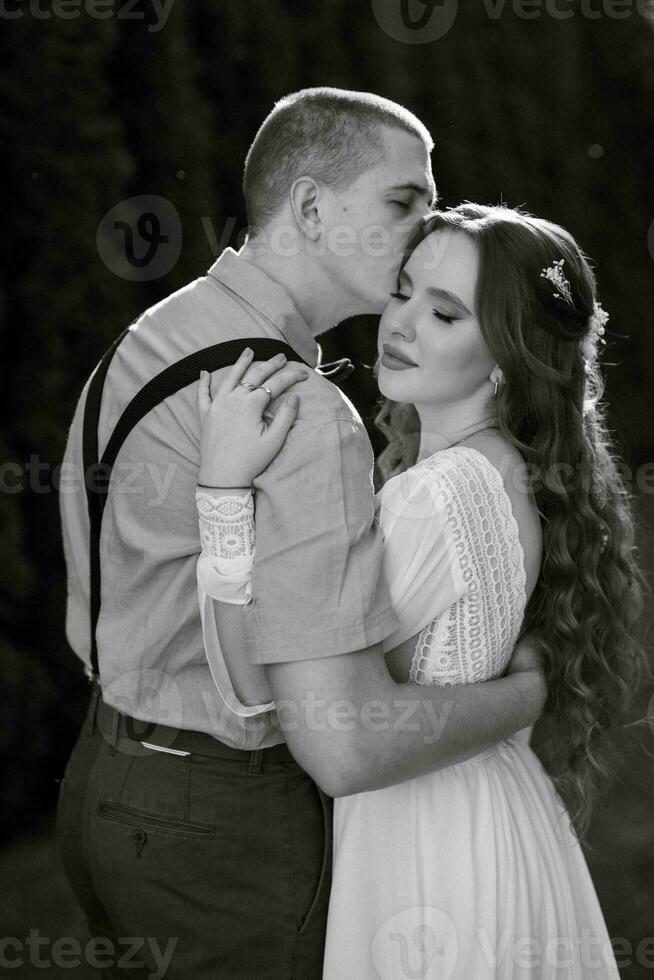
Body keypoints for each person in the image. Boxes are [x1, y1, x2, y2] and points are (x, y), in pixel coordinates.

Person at [57, 90, 546, 980]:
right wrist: (524, 699)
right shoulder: (299, 413)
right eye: (404, 203)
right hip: (221, 822)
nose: (425, 228)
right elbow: (347, 745)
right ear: (313, 208)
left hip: (100, 782)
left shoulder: (159, 332)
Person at [195, 203, 645, 978]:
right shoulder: (502, 469)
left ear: (504, 358)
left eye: (442, 313)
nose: (400, 323)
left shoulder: (434, 498)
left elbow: (259, 691)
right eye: (402, 291)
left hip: (428, 843)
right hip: (490, 808)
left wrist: (224, 489)